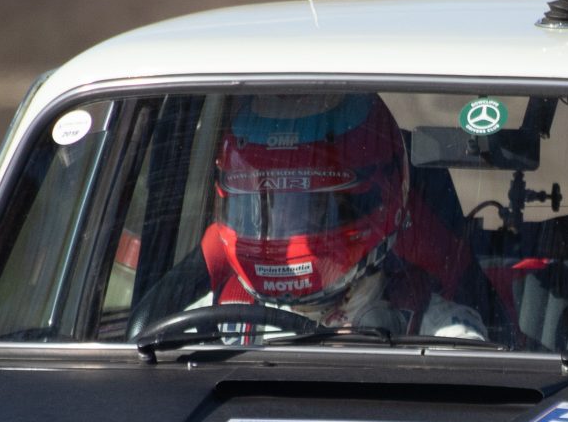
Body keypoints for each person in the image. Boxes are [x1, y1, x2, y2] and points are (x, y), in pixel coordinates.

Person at [199, 92, 486, 339]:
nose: (279, 234)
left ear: (377, 204)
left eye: (310, 211)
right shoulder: (208, 322)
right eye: (255, 212)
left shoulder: (442, 333)